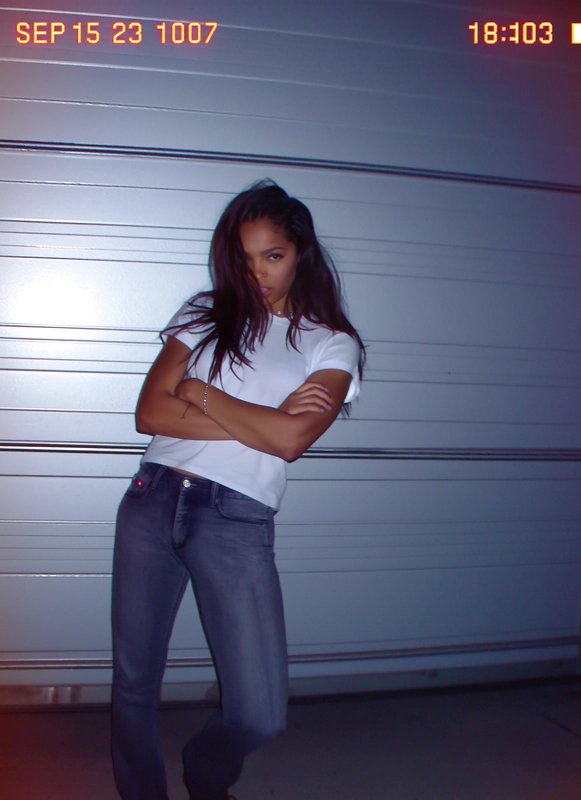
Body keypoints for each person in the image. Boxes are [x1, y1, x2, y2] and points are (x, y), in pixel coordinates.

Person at [111, 179, 366, 800]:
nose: (257, 274)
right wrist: (263, 413)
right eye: (244, 259)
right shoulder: (203, 313)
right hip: (152, 497)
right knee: (134, 682)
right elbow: (150, 413)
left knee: (259, 712)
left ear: (299, 251)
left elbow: (290, 441)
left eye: (272, 256)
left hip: (235, 516)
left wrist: (197, 392)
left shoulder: (332, 343)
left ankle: (207, 771)